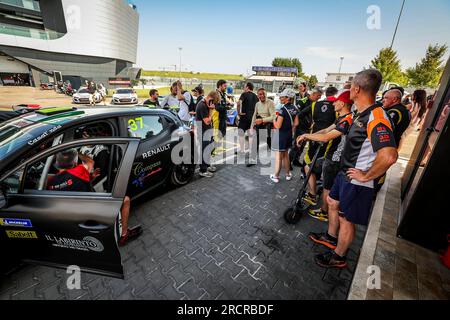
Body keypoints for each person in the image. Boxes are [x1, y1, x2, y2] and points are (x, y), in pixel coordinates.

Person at [313, 69, 398, 268]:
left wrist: (366, 175)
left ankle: (338, 257)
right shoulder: (360, 113)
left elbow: (389, 156)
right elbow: (333, 132)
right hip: (345, 173)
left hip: (357, 178)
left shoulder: (377, 116)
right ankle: (331, 237)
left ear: (357, 89)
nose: (349, 90)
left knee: (346, 219)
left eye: (350, 86)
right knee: (332, 202)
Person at [47, 148, 142, 246]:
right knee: (125, 200)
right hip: (93, 211)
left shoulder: (52, 183)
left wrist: (90, 177)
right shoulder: (79, 170)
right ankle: (124, 235)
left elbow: (71, 186)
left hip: (74, 217)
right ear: (74, 161)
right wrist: (77, 151)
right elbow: (90, 161)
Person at [296, 90, 353, 222]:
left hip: (335, 159)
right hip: (330, 155)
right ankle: (313, 194)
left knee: (327, 187)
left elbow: (326, 137)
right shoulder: (341, 118)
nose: (333, 105)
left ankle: (324, 212)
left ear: (342, 103)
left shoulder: (347, 120)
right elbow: (325, 131)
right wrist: (309, 137)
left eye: (336, 102)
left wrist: (306, 135)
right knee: (308, 166)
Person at [298, 86, 338, 207]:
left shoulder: (316, 105)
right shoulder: (337, 106)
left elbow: (301, 114)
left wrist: (309, 125)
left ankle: (312, 192)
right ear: (335, 94)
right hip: (330, 140)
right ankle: (315, 192)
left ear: (325, 93)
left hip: (314, 136)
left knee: (309, 162)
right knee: (321, 166)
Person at [290, 87, 323, 170]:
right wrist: (296, 125)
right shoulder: (303, 100)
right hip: (300, 126)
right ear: (314, 94)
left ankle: (296, 160)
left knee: (302, 145)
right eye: (318, 96)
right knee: (296, 145)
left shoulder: (315, 103)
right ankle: (289, 161)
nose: (319, 98)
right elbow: (296, 114)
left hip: (308, 127)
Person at [270, 89, 299, 183]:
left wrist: (274, 119)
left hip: (281, 135)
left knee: (279, 156)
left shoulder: (282, 110)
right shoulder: (295, 108)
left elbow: (277, 126)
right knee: (286, 155)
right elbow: (296, 123)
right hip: (289, 135)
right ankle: (287, 174)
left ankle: (276, 176)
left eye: (282, 96)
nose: (280, 98)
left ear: (288, 98)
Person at [247, 88, 276, 166]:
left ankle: (278, 159)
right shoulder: (257, 104)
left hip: (268, 125)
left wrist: (262, 120)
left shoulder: (270, 103)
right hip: (259, 125)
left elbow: (273, 117)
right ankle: (253, 159)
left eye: (264, 94)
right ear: (258, 95)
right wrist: (251, 127)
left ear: (266, 94)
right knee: (254, 142)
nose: (262, 95)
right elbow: (254, 115)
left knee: (270, 143)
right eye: (260, 94)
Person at [195, 91, 220, 178]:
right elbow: (207, 121)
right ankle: (203, 170)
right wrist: (211, 110)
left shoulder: (206, 104)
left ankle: (207, 165)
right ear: (210, 98)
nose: (214, 104)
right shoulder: (202, 105)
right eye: (213, 102)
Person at [237, 82, 258, 154]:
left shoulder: (244, 94)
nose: (243, 88)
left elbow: (239, 103)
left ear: (248, 87)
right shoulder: (256, 96)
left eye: (244, 86)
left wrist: (239, 112)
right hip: (252, 118)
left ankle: (242, 150)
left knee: (241, 133)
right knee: (250, 134)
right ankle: (250, 150)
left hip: (244, 116)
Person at [213, 80, 232, 154]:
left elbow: (223, 105)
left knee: (223, 132)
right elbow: (217, 107)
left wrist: (227, 105)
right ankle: (213, 149)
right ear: (220, 86)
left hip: (223, 116)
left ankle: (218, 146)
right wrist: (227, 107)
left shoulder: (223, 94)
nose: (226, 87)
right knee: (217, 133)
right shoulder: (216, 94)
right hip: (217, 117)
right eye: (225, 86)